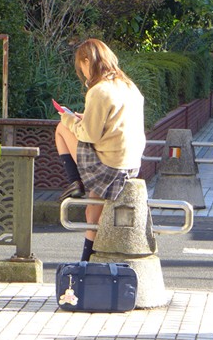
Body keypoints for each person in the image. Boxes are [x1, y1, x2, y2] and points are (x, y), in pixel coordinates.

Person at [54, 39, 146, 262]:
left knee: (60, 129)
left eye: (81, 65)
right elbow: (116, 123)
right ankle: (87, 261)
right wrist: (83, 119)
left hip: (109, 166)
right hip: (130, 164)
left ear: (88, 61)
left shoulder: (99, 90)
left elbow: (89, 135)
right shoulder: (128, 86)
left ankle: (76, 182)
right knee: (92, 211)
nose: (82, 71)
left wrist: (68, 119)